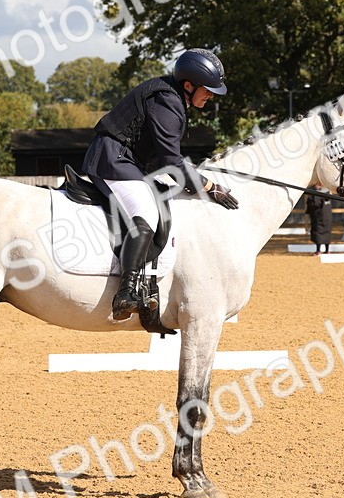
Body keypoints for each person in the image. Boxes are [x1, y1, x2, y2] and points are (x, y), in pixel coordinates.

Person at [82, 48, 239, 319]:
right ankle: (126, 292)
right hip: (112, 160)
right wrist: (208, 186)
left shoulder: (173, 96)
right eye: (208, 90)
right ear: (189, 85)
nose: (211, 96)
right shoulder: (167, 99)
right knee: (146, 212)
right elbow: (170, 160)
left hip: (126, 161)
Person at [306, 188, 332, 255]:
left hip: (318, 217)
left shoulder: (316, 195)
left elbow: (314, 204)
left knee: (318, 233)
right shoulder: (327, 193)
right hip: (327, 217)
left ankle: (318, 250)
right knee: (327, 232)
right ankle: (327, 250)